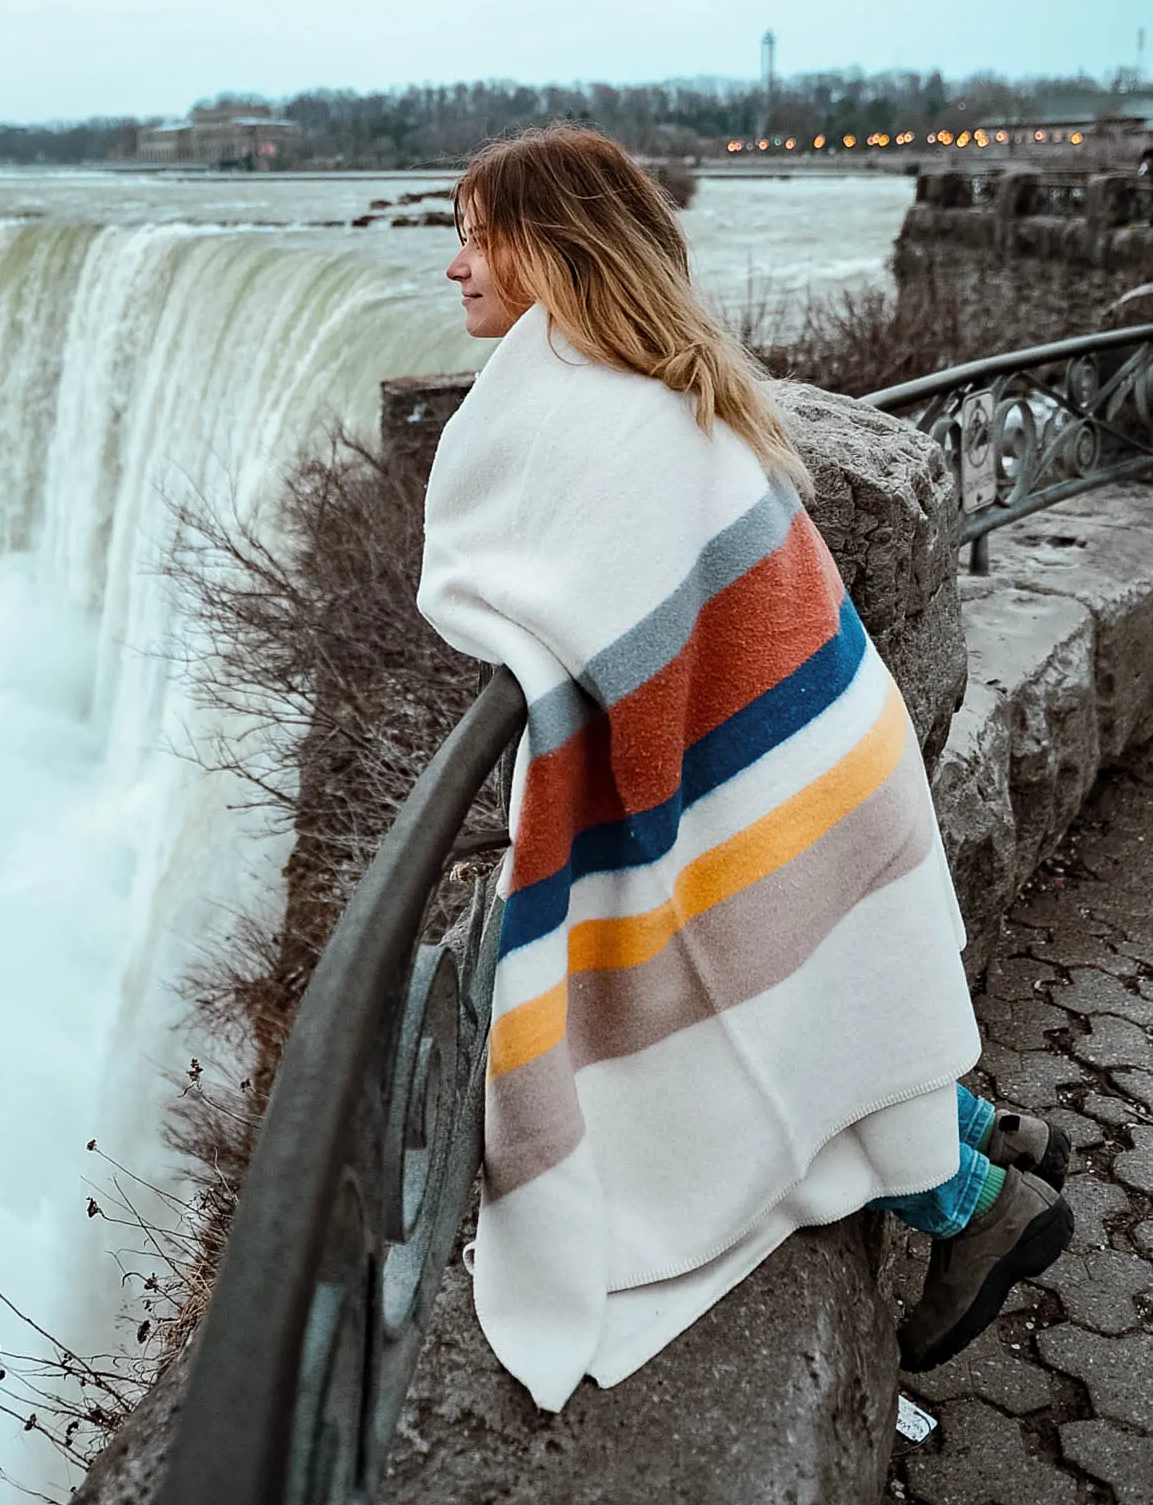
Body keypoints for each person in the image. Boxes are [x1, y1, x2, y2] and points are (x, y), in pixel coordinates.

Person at [416, 127, 1072, 1413]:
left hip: (798, 784)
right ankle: (986, 1135)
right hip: (834, 759)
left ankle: (978, 1204)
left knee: (762, 1013)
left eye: (478, 233)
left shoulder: (607, 418)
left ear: (552, 248)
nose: (455, 265)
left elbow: (571, 606)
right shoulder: (653, 381)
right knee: (829, 987)